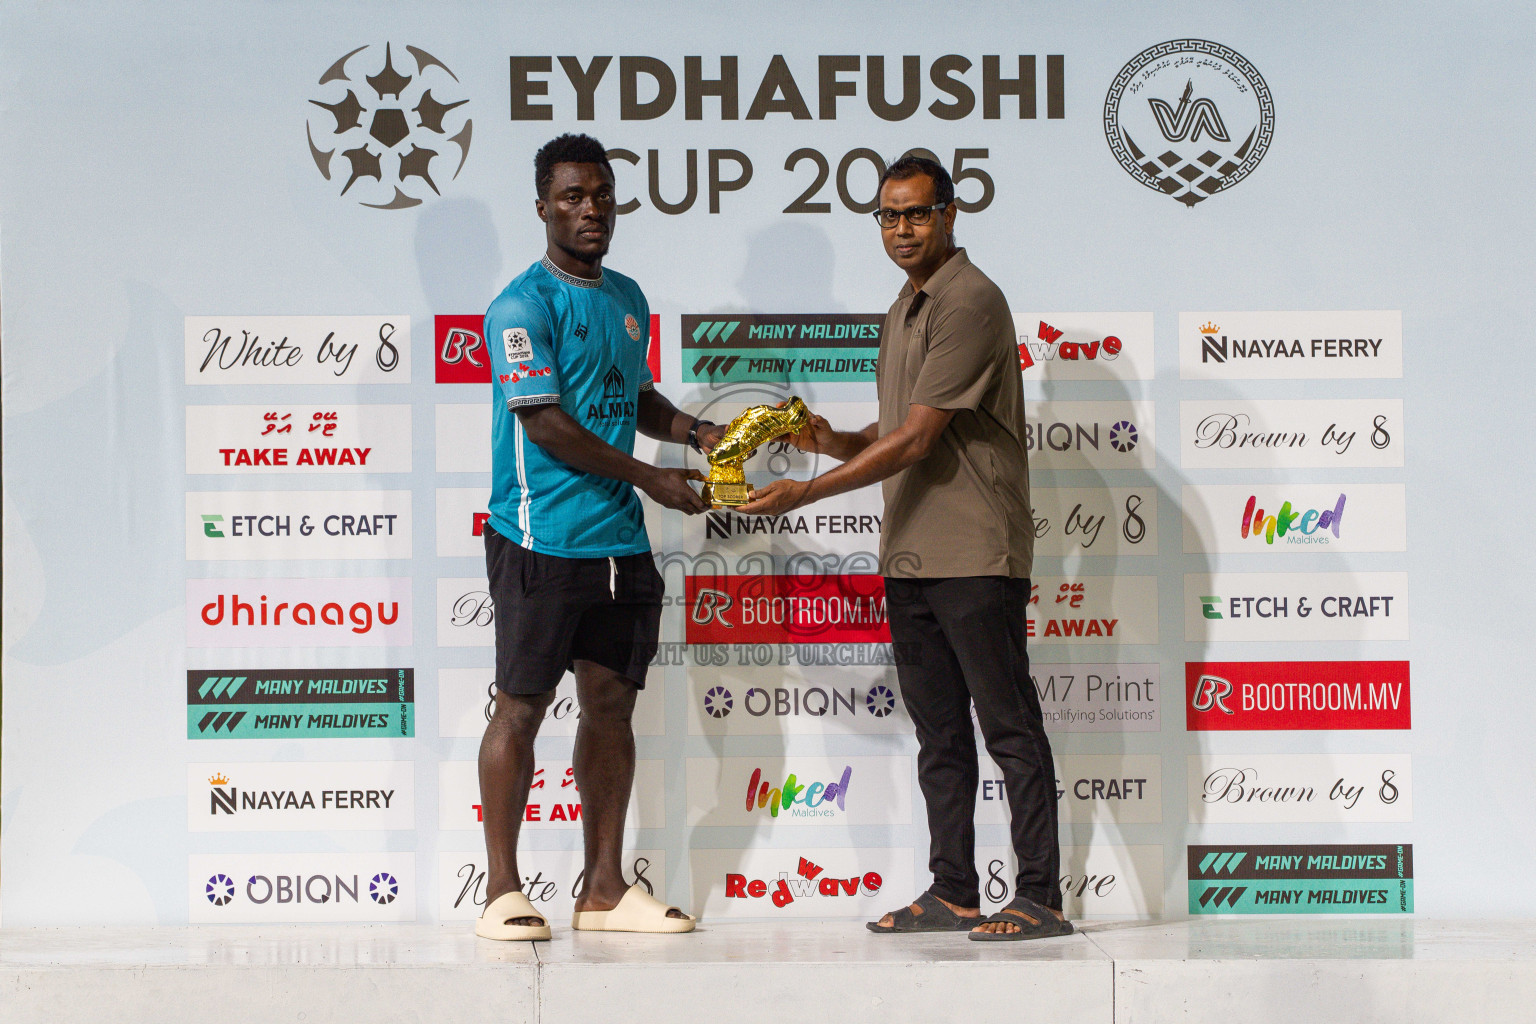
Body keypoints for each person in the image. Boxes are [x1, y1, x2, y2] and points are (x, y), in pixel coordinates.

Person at [737, 155, 1069, 940]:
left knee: (1010, 728)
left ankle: (1041, 896)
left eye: (916, 214)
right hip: (913, 556)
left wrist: (804, 493)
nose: (901, 229)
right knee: (940, 736)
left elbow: (920, 440)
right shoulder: (904, 306)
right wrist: (831, 441)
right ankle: (953, 890)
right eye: (888, 216)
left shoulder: (970, 300)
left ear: (950, 215)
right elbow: (894, 430)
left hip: (975, 554)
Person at [476, 133, 723, 940]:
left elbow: (634, 393)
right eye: (574, 197)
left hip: (619, 542)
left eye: (603, 196)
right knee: (520, 708)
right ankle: (504, 893)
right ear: (543, 205)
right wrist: (650, 477)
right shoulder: (519, 305)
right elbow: (545, 424)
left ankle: (606, 890)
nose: (591, 210)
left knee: (610, 707)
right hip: (540, 538)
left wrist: (691, 431)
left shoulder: (626, 294)